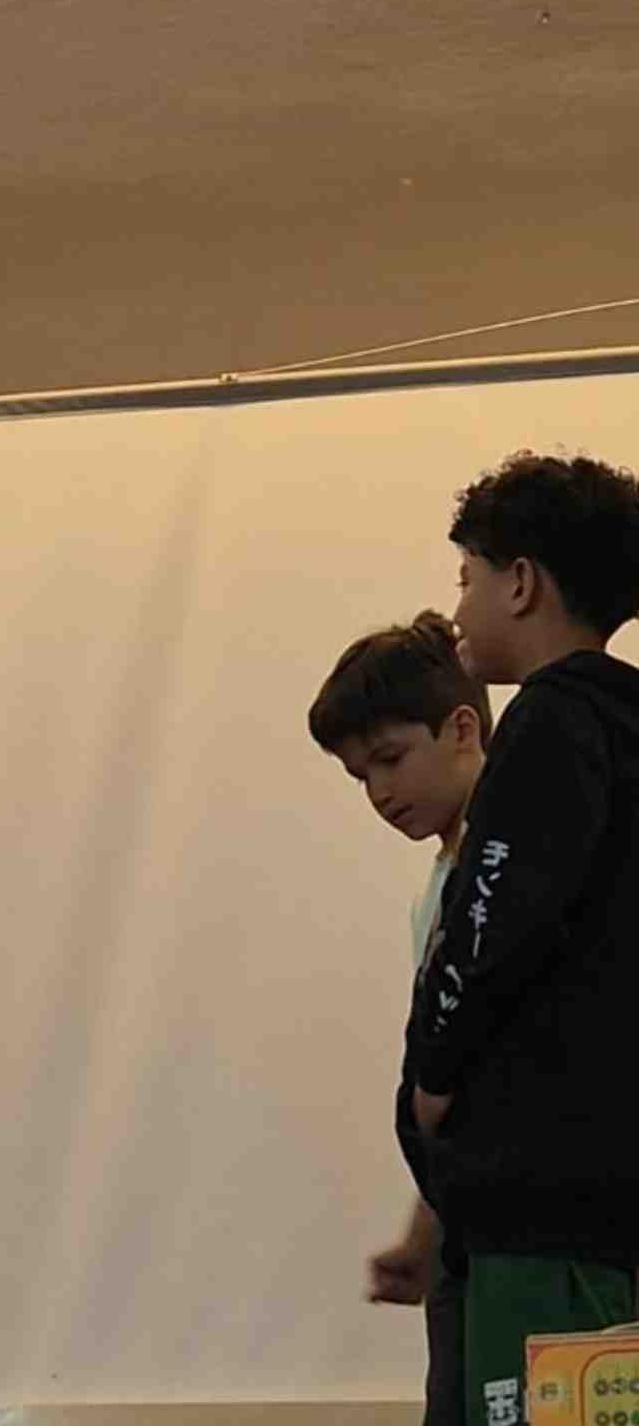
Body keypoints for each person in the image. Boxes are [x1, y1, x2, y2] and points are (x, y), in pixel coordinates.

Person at [405, 452, 639, 1426]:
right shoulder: (623, 728)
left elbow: (491, 919)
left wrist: (433, 1069)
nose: (457, 607)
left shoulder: (551, 720)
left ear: (521, 581)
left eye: (467, 577)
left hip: (542, 1212)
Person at [310, 610, 491, 1426]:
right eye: (361, 776)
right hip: (465, 1229)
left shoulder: (511, 875)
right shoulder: (443, 881)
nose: (379, 793)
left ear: (462, 729)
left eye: (390, 759)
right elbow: (460, 1081)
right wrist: (424, 1237)